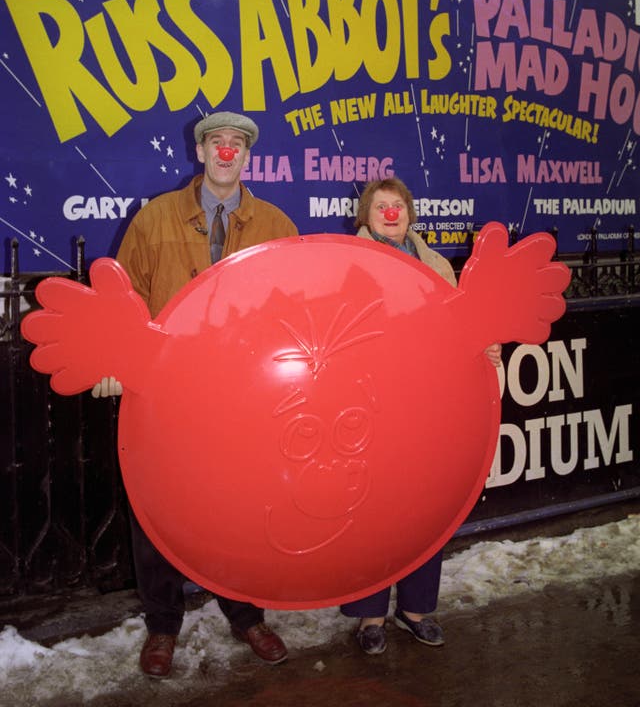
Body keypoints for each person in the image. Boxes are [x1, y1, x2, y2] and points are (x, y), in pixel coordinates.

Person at [92, 110, 298, 677]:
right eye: (217, 142)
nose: (227, 151)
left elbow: (298, 308)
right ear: (201, 152)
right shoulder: (155, 218)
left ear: (248, 157)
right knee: (158, 508)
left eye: (238, 143)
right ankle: (162, 626)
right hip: (165, 395)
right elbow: (119, 297)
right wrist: (114, 360)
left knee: (244, 507)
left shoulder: (277, 225)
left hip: (247, 399)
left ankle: (246, 613)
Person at [340, 176, 502, 655]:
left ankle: (416, 608)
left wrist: (483, 343)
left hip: (428, 404)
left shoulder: (433, 263)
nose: (390, 213)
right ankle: (370, 614)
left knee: (424, 506)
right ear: (365, 215)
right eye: (380, 206)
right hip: (371, 403)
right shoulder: (348, 260)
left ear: (410, 213)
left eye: (398, 205)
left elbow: (459, 328)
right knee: (373, 512)